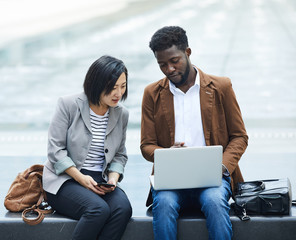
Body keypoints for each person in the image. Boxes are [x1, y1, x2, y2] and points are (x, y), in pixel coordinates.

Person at [140, 26, 248, 240]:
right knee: (164, 203)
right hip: (171, 181)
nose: (169, 69)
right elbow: (146, 145)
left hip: (213, 179)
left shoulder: (221, 87)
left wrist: (222, 167)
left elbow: (239, 136)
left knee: (214, 201)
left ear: (187, 53)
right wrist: (166, 153)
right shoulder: (152, 93)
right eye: (162, 64)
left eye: (174, 61)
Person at [43, 55, 132, 240]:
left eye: (122, 86)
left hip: (100, 180)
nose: (118, 93)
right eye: (113, 87)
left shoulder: (121, 114)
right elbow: (55, 149)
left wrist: (113, 179)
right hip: (66, 179)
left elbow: (120, 155)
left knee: (123, 209)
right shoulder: (68, 104)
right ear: (97, 84)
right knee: (97, 210)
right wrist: (81, 178)